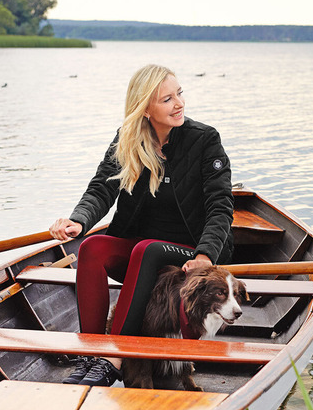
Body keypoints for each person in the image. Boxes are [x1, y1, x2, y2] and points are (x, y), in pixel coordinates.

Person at [49, 64, 234, 387]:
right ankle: (92, 352)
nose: (179, 104)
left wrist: (205, 255)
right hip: (140, 253)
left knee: (147, 249)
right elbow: (102, 188)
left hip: (190, 253)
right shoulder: (128, 138)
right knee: (92, 246)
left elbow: (221, 207)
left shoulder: (204, 140)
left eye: (179, 94)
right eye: (167, 99)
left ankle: (114, 358)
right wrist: (79, 220)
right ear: (145, 108)